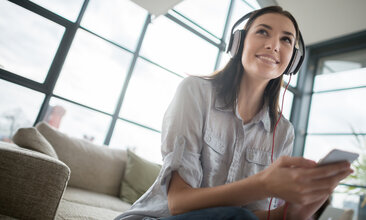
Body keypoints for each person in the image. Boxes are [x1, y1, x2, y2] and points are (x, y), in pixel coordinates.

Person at [115, 6, 352, 220]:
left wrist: (291, 214)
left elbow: (249, 215)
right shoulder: (196, 92)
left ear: (293, 61)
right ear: (238, 43)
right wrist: (263, 184)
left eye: (286, 40)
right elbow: (178, 202)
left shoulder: (282, 131)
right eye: (263, 32)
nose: (274, 45)